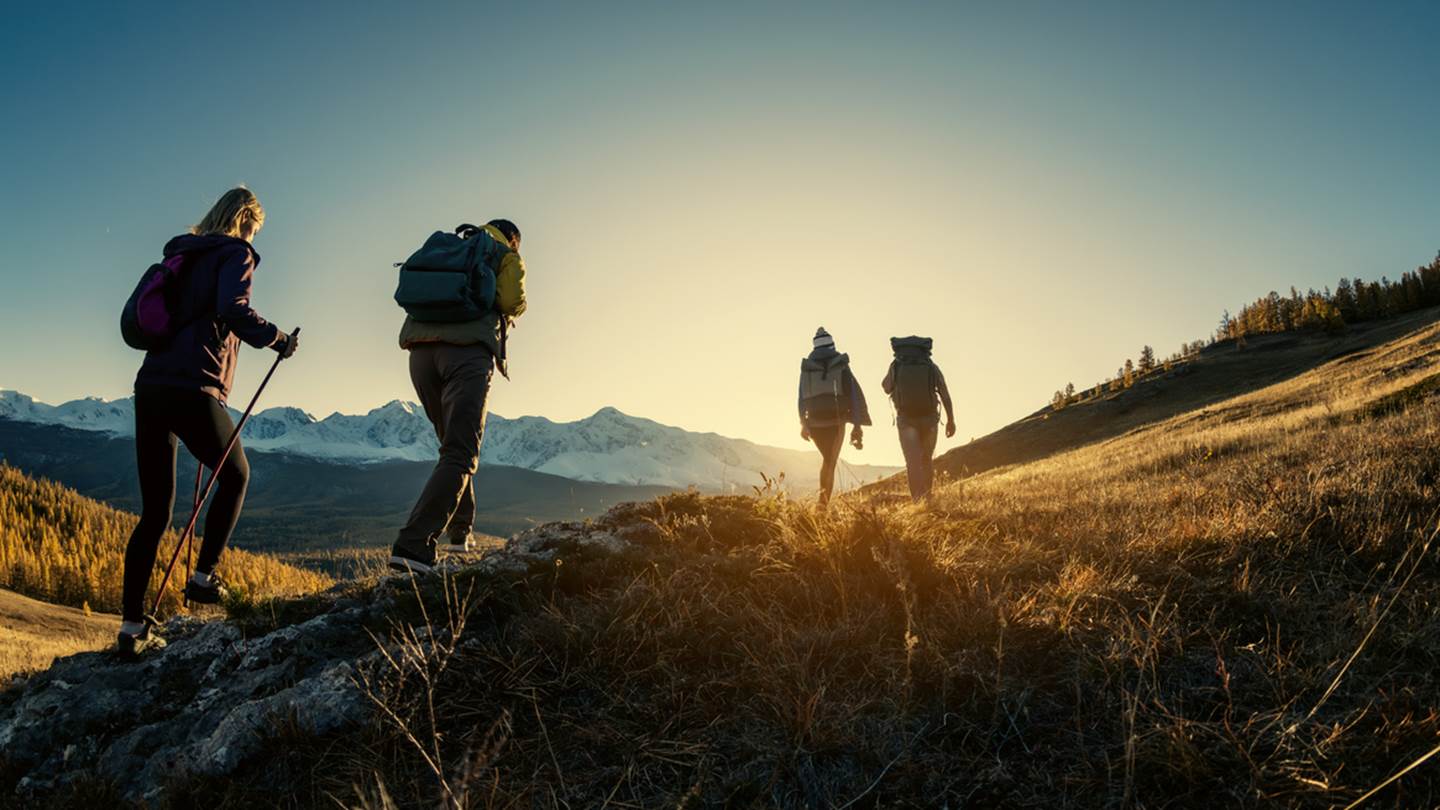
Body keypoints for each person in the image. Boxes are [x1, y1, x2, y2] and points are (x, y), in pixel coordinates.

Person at [119, 187, 300, 657]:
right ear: (245, 219)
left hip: (152, 384)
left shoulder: (183, 253)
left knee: (155, 513)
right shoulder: (236, 252)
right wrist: (277, 338)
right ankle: (203, 579)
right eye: (255, 228)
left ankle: (131, 627)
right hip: (193, 384)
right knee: (237, 474)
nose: (254, 236)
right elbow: (232, 309)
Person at [390, 219, 527, 574]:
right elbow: (513, 300)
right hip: (466, 355)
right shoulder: (505, 255)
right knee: (461, 452)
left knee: (451, 447)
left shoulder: (450, 246)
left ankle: (459, 531)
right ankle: (413, 546)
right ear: (513, 240)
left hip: (420, 355)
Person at [798, 327, 871, 507]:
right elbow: (853, 394)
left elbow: (800, 397)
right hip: (836, 421)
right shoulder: (841, 365)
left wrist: (803, 423)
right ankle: (822, 505)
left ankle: (822, 504)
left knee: (827, 460)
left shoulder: (807, 368)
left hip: (814, 423)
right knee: (830, 461)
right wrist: (857, 424)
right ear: (832, 345)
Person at [881, 336, 955, 502]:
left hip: (906, 419)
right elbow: (944, 394)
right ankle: (928, 498)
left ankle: (917, 500)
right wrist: (951, 420)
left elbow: (886, 387)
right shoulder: (930, 366)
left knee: (912, 462)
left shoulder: (897, 365)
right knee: (926, 459)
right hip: (929, 419)